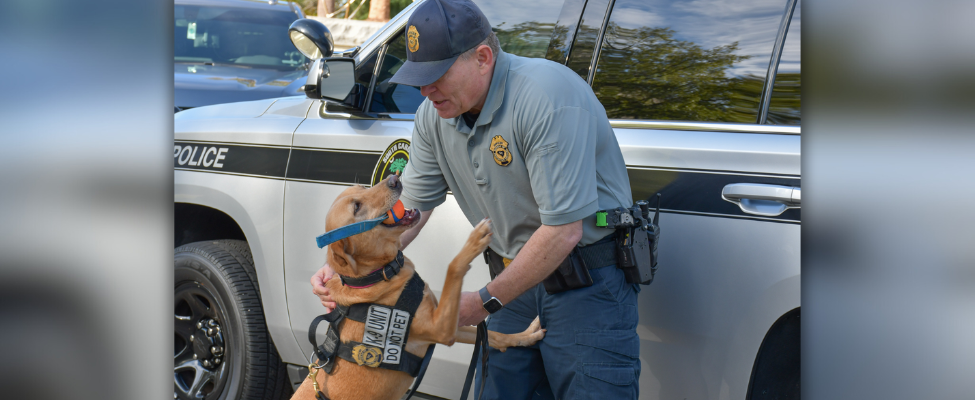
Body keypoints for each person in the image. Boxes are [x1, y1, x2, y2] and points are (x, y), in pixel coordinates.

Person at [311, 0, 640, 398]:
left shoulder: (546, 96)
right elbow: (410, 206)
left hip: (585, 288)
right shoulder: (434, 115)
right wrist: (343, 270)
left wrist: (483, 302)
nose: (425, 90)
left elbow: (562, 231)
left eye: (436, 75)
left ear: (483, 58)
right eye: (419, 77)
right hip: (510, 283)